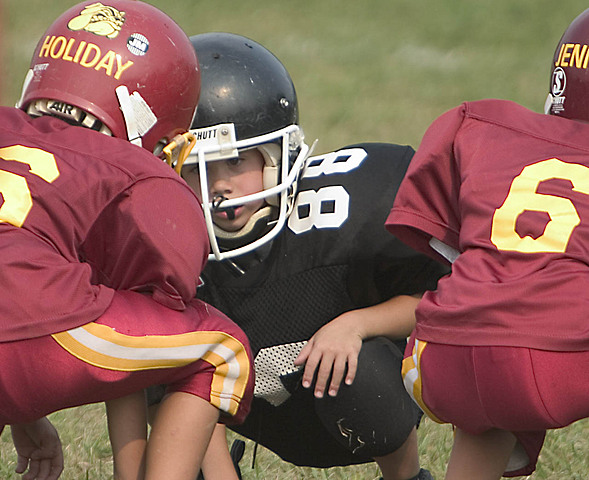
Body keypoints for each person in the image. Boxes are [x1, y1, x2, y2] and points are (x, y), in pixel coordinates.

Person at [174, 32, 449, 480]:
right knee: (166, 374)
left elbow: (437, 297)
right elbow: (180, 383)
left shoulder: (346, 211)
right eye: (196, 169)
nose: (217, 185)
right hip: (243, 409)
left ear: (278, 155)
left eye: (235, 161)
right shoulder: (172, 248)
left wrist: (356, 324)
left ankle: (406, 475)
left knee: (365, 373)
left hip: (350, 389)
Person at [0, 2, 253, 480]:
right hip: (36, 324)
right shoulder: (130, 166)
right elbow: (163, 292)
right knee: (221, 349)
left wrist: (22, 412)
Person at [385, 8, 589, 480]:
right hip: (559, 363)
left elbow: (452, 251)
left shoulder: (485, 125)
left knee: (501, 326)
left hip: (438, 357)